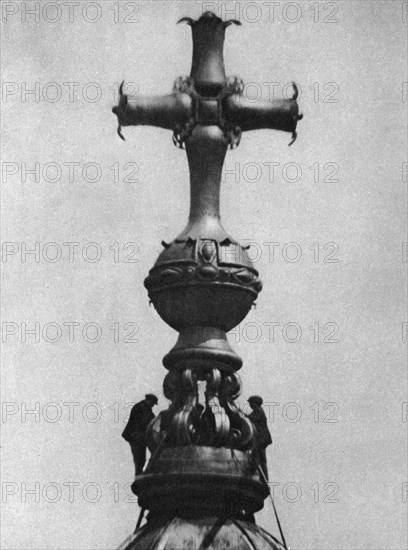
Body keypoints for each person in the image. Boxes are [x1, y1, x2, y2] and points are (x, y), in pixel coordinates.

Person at [122, 393, 158, 476]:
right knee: (139, 459)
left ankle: (139, 476)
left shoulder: (145, 408)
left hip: (139, 438)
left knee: (141, 459)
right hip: (136, 437)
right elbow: (147, 420)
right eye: (152, 403)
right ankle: (138, 478)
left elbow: (152, 419)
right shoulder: (141, 407)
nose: (153, 406)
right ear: (149, 400)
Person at [247, 395, 272, 480]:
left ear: (255, 403)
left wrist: (244, 415)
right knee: (259, 457)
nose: (250, 405)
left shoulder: (258, 411)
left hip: (262, 438)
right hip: (262, 438)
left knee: (261, 459)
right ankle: (261, 476)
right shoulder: (258, 410)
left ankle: (264, 478)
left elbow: (252, 417)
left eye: (251, 403)